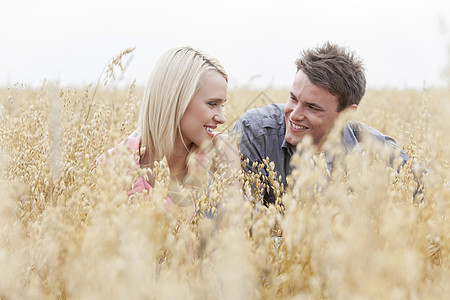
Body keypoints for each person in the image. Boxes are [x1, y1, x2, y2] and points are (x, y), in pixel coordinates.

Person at [232, 42, 410, 204]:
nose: (294, 115)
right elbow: (240, 226)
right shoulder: (255, 132)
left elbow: (433, 199)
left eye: (312, 107)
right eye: (293, 98)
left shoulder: (376, 151)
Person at [97, 46, 241, 206]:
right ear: (176, 101)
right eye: (212, 104)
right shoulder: (109, 169)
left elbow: (234, 228)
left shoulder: (220, 155)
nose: (222, 118)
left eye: (222, 105)